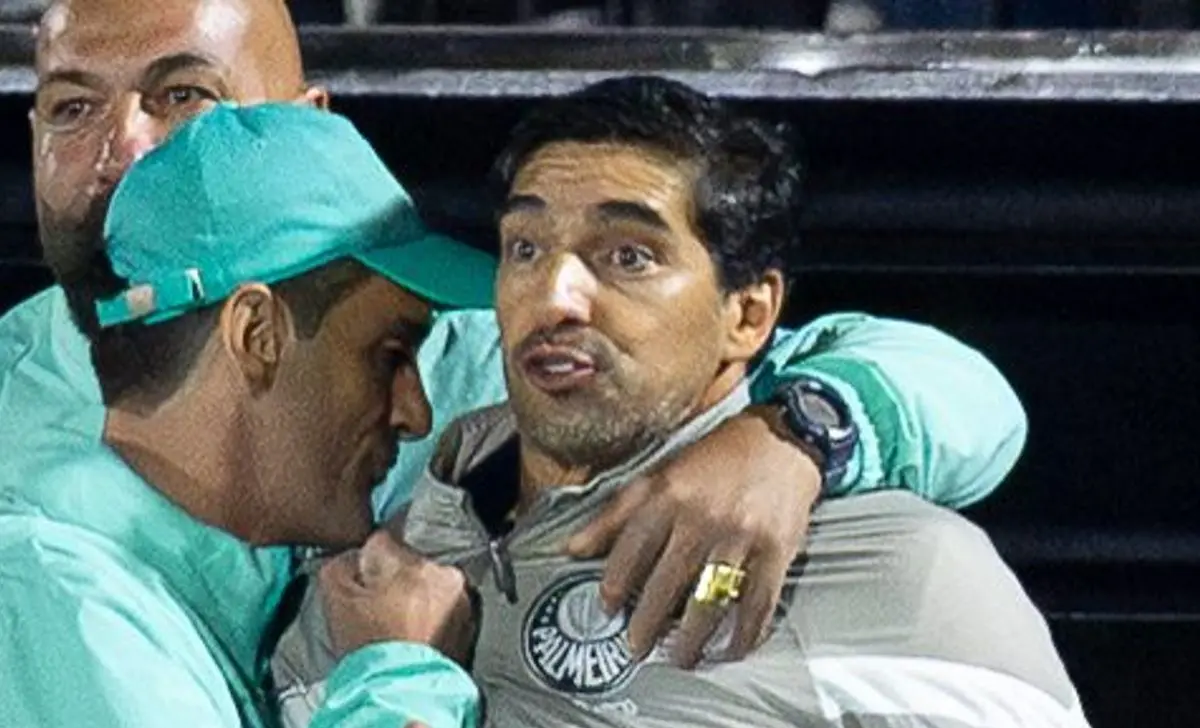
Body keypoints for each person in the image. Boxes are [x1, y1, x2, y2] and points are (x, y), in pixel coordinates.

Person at [2, 0, 1026, 668]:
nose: (126, 148)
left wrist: (794, 437)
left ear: (309, 120)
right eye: (72, 108)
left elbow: (967, 395)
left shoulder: (476, 355)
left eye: (184, 97)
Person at [272, 76, 1095, 728]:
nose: (554, 295)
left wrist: (789, 437)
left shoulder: (894, 575)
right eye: (525, 247)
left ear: (748, 314)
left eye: (628, 256)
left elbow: (968, 395)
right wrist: (393, 677)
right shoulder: (364, 593)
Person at [0, 102, 497, 728]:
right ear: (255, 335)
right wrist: (401, 674)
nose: (415, 414)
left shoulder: (150, 595)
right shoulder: (59, 604)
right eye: (389, 355)